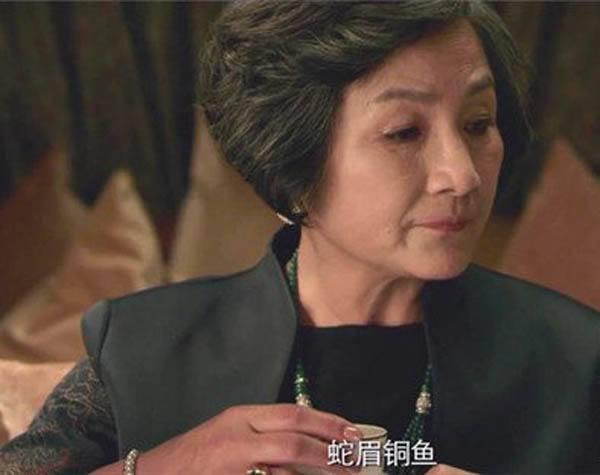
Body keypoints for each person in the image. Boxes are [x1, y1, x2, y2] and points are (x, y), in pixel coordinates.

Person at [1, 1, 599, 474]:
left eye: (478, 123)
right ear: (295, 162)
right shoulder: (143, 351)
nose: (462, 175)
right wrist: (158, 467)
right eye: (403, 132)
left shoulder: (578, 361)